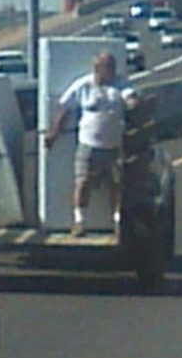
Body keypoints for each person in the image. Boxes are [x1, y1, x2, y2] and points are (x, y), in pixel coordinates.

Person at [45, 50, 138, 237]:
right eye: (108, 67)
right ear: (98, 69)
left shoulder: (120, 84)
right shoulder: (83, 86)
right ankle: (79, 221)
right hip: (88, 145)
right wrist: (54, 133)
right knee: (83, 182)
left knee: (116, 184)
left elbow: (131, 97)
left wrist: (132, 103)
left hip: (113, 146)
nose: (112, 70)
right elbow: (65, 108)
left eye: (113, 66)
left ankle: (118, 220)